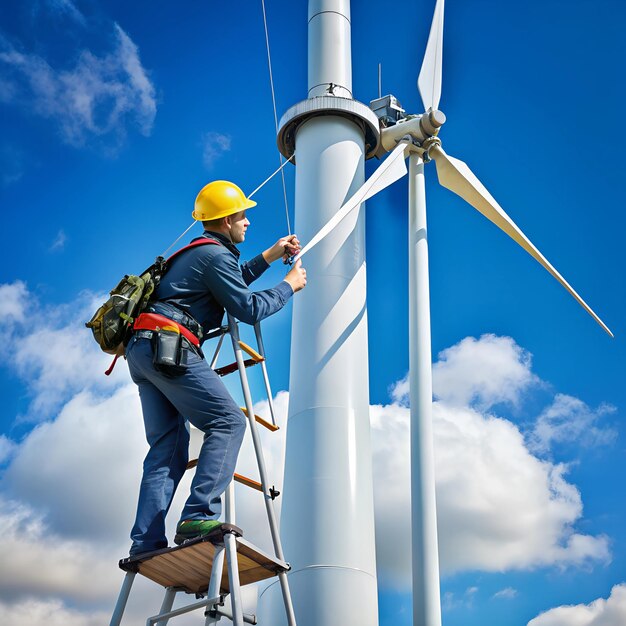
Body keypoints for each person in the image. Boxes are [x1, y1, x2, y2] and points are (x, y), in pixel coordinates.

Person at [124, 180, 306, 556]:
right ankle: (197, 514)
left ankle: (145, 541)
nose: (248, 222)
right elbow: (248, 307)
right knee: (229, 422)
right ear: (225, 219)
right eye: (243, 215)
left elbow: (227, 283)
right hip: (170, 345)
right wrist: (288, 286)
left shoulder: (200, 253)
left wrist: (269, 257)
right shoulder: (217, 257)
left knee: (167, 448)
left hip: (145, 350)